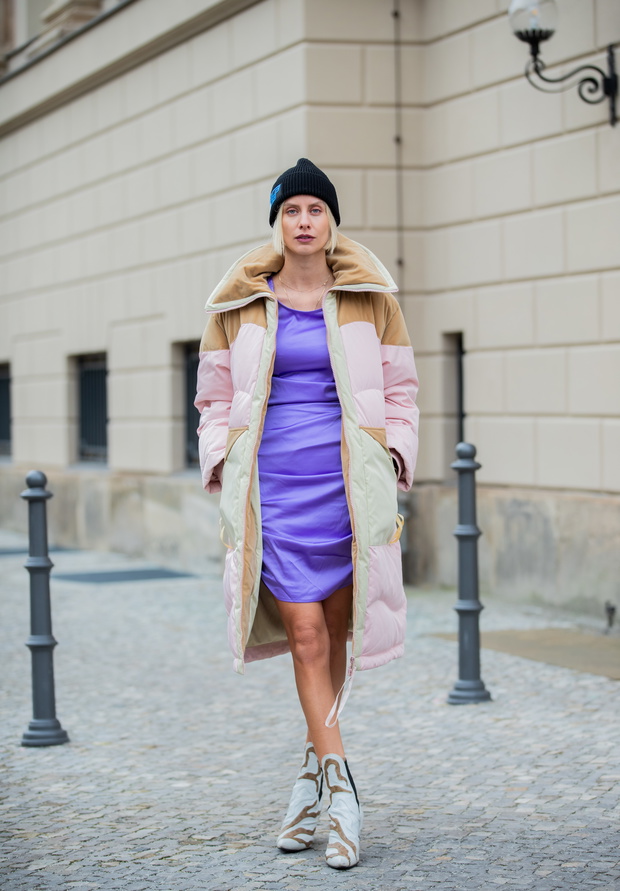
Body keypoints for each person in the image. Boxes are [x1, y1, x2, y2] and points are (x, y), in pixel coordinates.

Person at [195, 158, 419, 869]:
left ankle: (309, 775)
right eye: (290, 210)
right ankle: (344, 792)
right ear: (277, 222)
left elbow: (401, 390)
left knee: (338, 629)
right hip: (276, 493)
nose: (303, 221)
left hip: (348, 488)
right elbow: (213, 398)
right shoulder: (237, 304)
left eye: (314, 209)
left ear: (331, 221)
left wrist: (393, 457)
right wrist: (221, 459)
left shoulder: (371, 299)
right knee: (305, 634)